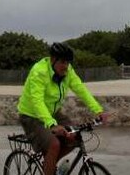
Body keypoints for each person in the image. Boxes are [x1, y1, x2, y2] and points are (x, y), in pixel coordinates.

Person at [17, 42, 106, 175]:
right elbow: (37, 101)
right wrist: (52, 124)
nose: (66, 66)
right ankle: (49, 168)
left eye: (68, 62)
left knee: (74, 137)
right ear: (53, 60)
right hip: (31, 115)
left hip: (52, 112)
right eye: (63, 62)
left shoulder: (68, 71)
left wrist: (98, 110)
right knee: (55, 144)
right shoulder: (39, 71)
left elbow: (80, 89)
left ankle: (48, 164)